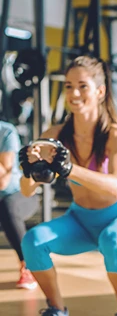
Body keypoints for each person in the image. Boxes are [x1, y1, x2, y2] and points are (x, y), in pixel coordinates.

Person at [19, 56, 117, 316]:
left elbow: (114, 188)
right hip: (79, 221)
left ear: (100, 91)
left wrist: (69, 169)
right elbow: (26, 190)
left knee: (113, 240)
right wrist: (29, 170)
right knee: (33, 241)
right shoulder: (54, 135)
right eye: (68, 86)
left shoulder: (115, 135)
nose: (74, 93)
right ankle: (56, 309)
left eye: (82, 86)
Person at [0, 119, 39, 290]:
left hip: (19, 194)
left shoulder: (6, 132)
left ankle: (28, 266)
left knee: (7, 207)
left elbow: (3, 182)